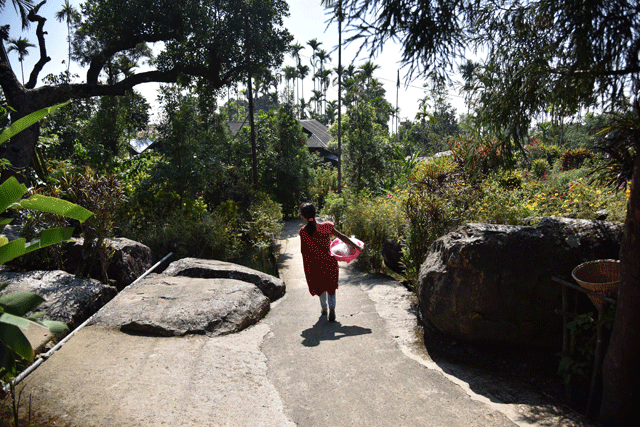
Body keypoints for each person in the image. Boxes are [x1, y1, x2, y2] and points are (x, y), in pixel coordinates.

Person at [298, 202, 360, 322]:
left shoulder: (303, 232)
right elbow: (343, 237)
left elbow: (304, 252)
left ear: (303, 217)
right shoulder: (326, 226)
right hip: (329, 262)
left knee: (320, 286)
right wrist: (357, 247)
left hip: (315, 265)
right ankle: (332, 308)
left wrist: (309, 268)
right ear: (315, 213)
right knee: (331, 287)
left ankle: (324, 309)